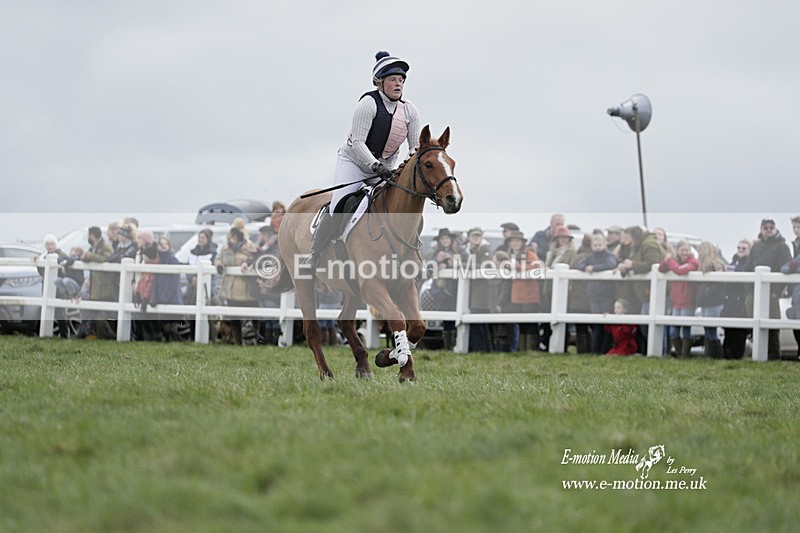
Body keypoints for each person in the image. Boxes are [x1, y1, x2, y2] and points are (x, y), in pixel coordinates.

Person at [307, 50, 421, 268]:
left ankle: (412, 254)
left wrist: (403, 170)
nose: (398, 84)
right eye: (392, 80)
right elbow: (358, 142)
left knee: (404, 206)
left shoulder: (410, 111)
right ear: (379, 83)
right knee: (339, 205)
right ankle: (314, 254)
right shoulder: (368, 104)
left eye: (401, 80)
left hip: (386, 169)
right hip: (355, 164)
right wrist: (375, 166)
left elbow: (414, 147)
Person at [744, 218, 792, 359]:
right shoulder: (756, 247)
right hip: (754, 292)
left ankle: (774, 356)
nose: (769, 230)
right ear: (761, 229)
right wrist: (749, 290)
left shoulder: (782, 246)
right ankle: (757, 355)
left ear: (775, 229)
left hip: (772, 292)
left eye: (771, 227)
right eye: (766, 227)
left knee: (772, 327)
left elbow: (785, 269)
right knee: (755, 325)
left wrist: (776, 292)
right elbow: (748, 268)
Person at [617, 226, 667, 352]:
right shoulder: (637, 247)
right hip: (646, 291)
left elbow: (653, 264)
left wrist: (632, 265)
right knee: (645, 323)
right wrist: (625, 267)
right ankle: (656, 351)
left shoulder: (649, 244)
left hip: (656, 291)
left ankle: (661, 351)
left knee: (653, 324)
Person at [424, 228, 467, 350]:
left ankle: (457, 344)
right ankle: (448, 346)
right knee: (446, 318)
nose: (445, 241)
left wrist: (457, 264)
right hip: (442, 291)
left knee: (458, 318)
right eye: (443, 239)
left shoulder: (460, 251)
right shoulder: (435, 252)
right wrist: (438, 261)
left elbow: (468, 263)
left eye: (447, 238)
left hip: (457, 289)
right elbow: (429, 266)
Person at [215, 227, 258, 345]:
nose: (229, 239)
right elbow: (218, 258)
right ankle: (237, 341)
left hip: (246, 289)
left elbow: (256, 258)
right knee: (234, 318)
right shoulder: (226, 248)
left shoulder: (250, 247)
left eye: (230, 236)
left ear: (235, 236)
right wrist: (219, 264)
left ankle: (252, 341)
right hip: (230, 289)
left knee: (249, 317)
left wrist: (248, 263)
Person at [577, 233, 618, 354]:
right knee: (596, 324)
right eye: (595, 244)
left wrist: (594, 268)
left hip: (606, 294)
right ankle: (595, 349)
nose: (597, 246)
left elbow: (610, 264)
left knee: (606, 324)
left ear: (605, 244)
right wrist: (585, 267)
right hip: (594, 295)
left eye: (600, 244)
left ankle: (604, 349)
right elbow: (580, 264)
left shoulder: (609, 256)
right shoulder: (590, 257)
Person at [659, 240, 699, 357]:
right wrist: (666, 260)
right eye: (682, 250)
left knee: (686, 330)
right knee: (674, 331)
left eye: (687, 250)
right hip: (676, 302)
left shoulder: (694, 262)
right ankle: (679, 353)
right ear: (678, 251)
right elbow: (661, 269)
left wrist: (670, 261)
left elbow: (680, 270)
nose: (684, 253)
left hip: (688, 302)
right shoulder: (674, 261)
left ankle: (684, 355)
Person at [506, 230, 541, 352]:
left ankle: (531, 349)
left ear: (522, 242)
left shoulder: (529, 253)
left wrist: (518, 267)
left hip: (529, 294)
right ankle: (521, 349)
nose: (515, 243)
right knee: (519, 322)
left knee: (530, 323)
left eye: (517, 241)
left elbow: (537, 267)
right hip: (516, 294)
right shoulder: (509, 254)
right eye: (512, 241)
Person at [81, 226, 115, 339]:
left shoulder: (106, 246)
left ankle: (108, 336)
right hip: (94, 286)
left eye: (88, 235)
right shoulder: (93, 248)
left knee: (101, 315)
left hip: (104, 286)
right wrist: (85, 257)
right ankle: (91, 335)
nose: (88, 237)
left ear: (92, 235)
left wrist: (91, 256)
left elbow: (107, 258)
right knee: (92, 314)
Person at [721, 239, 752, 359]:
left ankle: (737, 357)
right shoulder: (733, 262)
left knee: (739, 332)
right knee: (729, 331)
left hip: (741, 300)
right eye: (738, 248)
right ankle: (727, 356)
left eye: (743, 248)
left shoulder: (749, 263)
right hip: (730, 300)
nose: (740, 250)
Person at [697, 241, 727, 358]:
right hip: (707, 301)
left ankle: (717, 355)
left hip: (713, 301)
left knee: (712, 329)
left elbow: (719, 283)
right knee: (708, 329)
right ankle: (710, 355)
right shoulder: (706, 263)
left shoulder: (714, 263)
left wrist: (707, 292)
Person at [151, 238, 184, 341]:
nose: (163, 246)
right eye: (161, 244)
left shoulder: (173, 260)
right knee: (164, 323)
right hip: (162, 296)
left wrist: (166, 296)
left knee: (172, 323)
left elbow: (174, 282)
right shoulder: (159, 261)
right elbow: (155, 281)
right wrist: (155, 297)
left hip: (172, 297)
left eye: (165, 244)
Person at [465, 227, 492, 352]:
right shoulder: (467, 250)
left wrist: (464, 265)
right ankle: (478, 349)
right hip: (471, 291)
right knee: (475, 322)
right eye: (473, 236)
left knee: (481, 322)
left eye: (478, 236)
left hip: (481, 292)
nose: (476, 238)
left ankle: (482, 349)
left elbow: (485, 265)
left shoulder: (485, 249)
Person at [488, 250, 514, 351]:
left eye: (494, 260)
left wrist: (500, 304)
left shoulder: (505, 273)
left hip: (502, 305)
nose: (492, 262)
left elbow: (505, 291)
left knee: (503, 330)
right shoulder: (494, 273)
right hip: (494, 304)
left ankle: (503, 350)